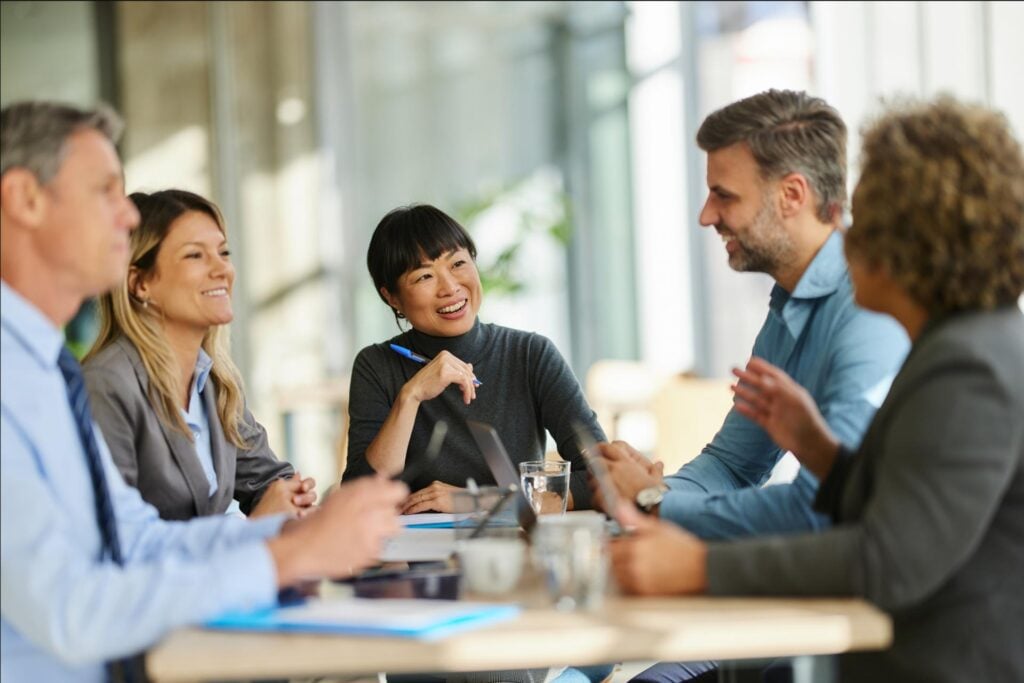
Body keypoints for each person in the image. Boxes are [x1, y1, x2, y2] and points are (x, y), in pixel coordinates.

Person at [610, 95, 1024, 682]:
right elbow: (913, 507)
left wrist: (700, 567)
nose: (846, 233)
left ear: (913, 240)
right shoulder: (960, 345)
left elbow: (890, 558)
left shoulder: (968, 368)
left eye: (866, 217)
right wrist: (824, 453)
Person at [0, 101, 406, 682]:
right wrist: (284, 555)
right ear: (25, 199)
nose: (125, 216)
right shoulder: (32, 378)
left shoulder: (44, 369)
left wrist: (297, 533)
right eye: (105, 191)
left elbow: (133, 541)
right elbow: (71, 609)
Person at [597, 90, 908, 541]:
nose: (707, 216)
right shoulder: (791, 301)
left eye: (724, 196)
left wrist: (656, 503)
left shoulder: (871, 313)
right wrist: (647, 493)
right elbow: (733, 464)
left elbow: (818, 506)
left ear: (792, 195)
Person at [342, 203, 605, 513]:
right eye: (424, 276)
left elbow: (604, 476)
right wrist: (411, 396)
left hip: (514, 550)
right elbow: (360, 500)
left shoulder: (531, 355)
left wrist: (476, 501)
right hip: (415, 555)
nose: (450, 287)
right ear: (392, 297)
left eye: (458, 263)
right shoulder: (376, 365)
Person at [82, 189, 315, 521]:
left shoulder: (214, 379)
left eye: (224, 252)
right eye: (195, 255)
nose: (222, 269)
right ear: (139, 282)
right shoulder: (106, 384)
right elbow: (120, 540)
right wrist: (252, 531)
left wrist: (296, 500)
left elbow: (267, 481)